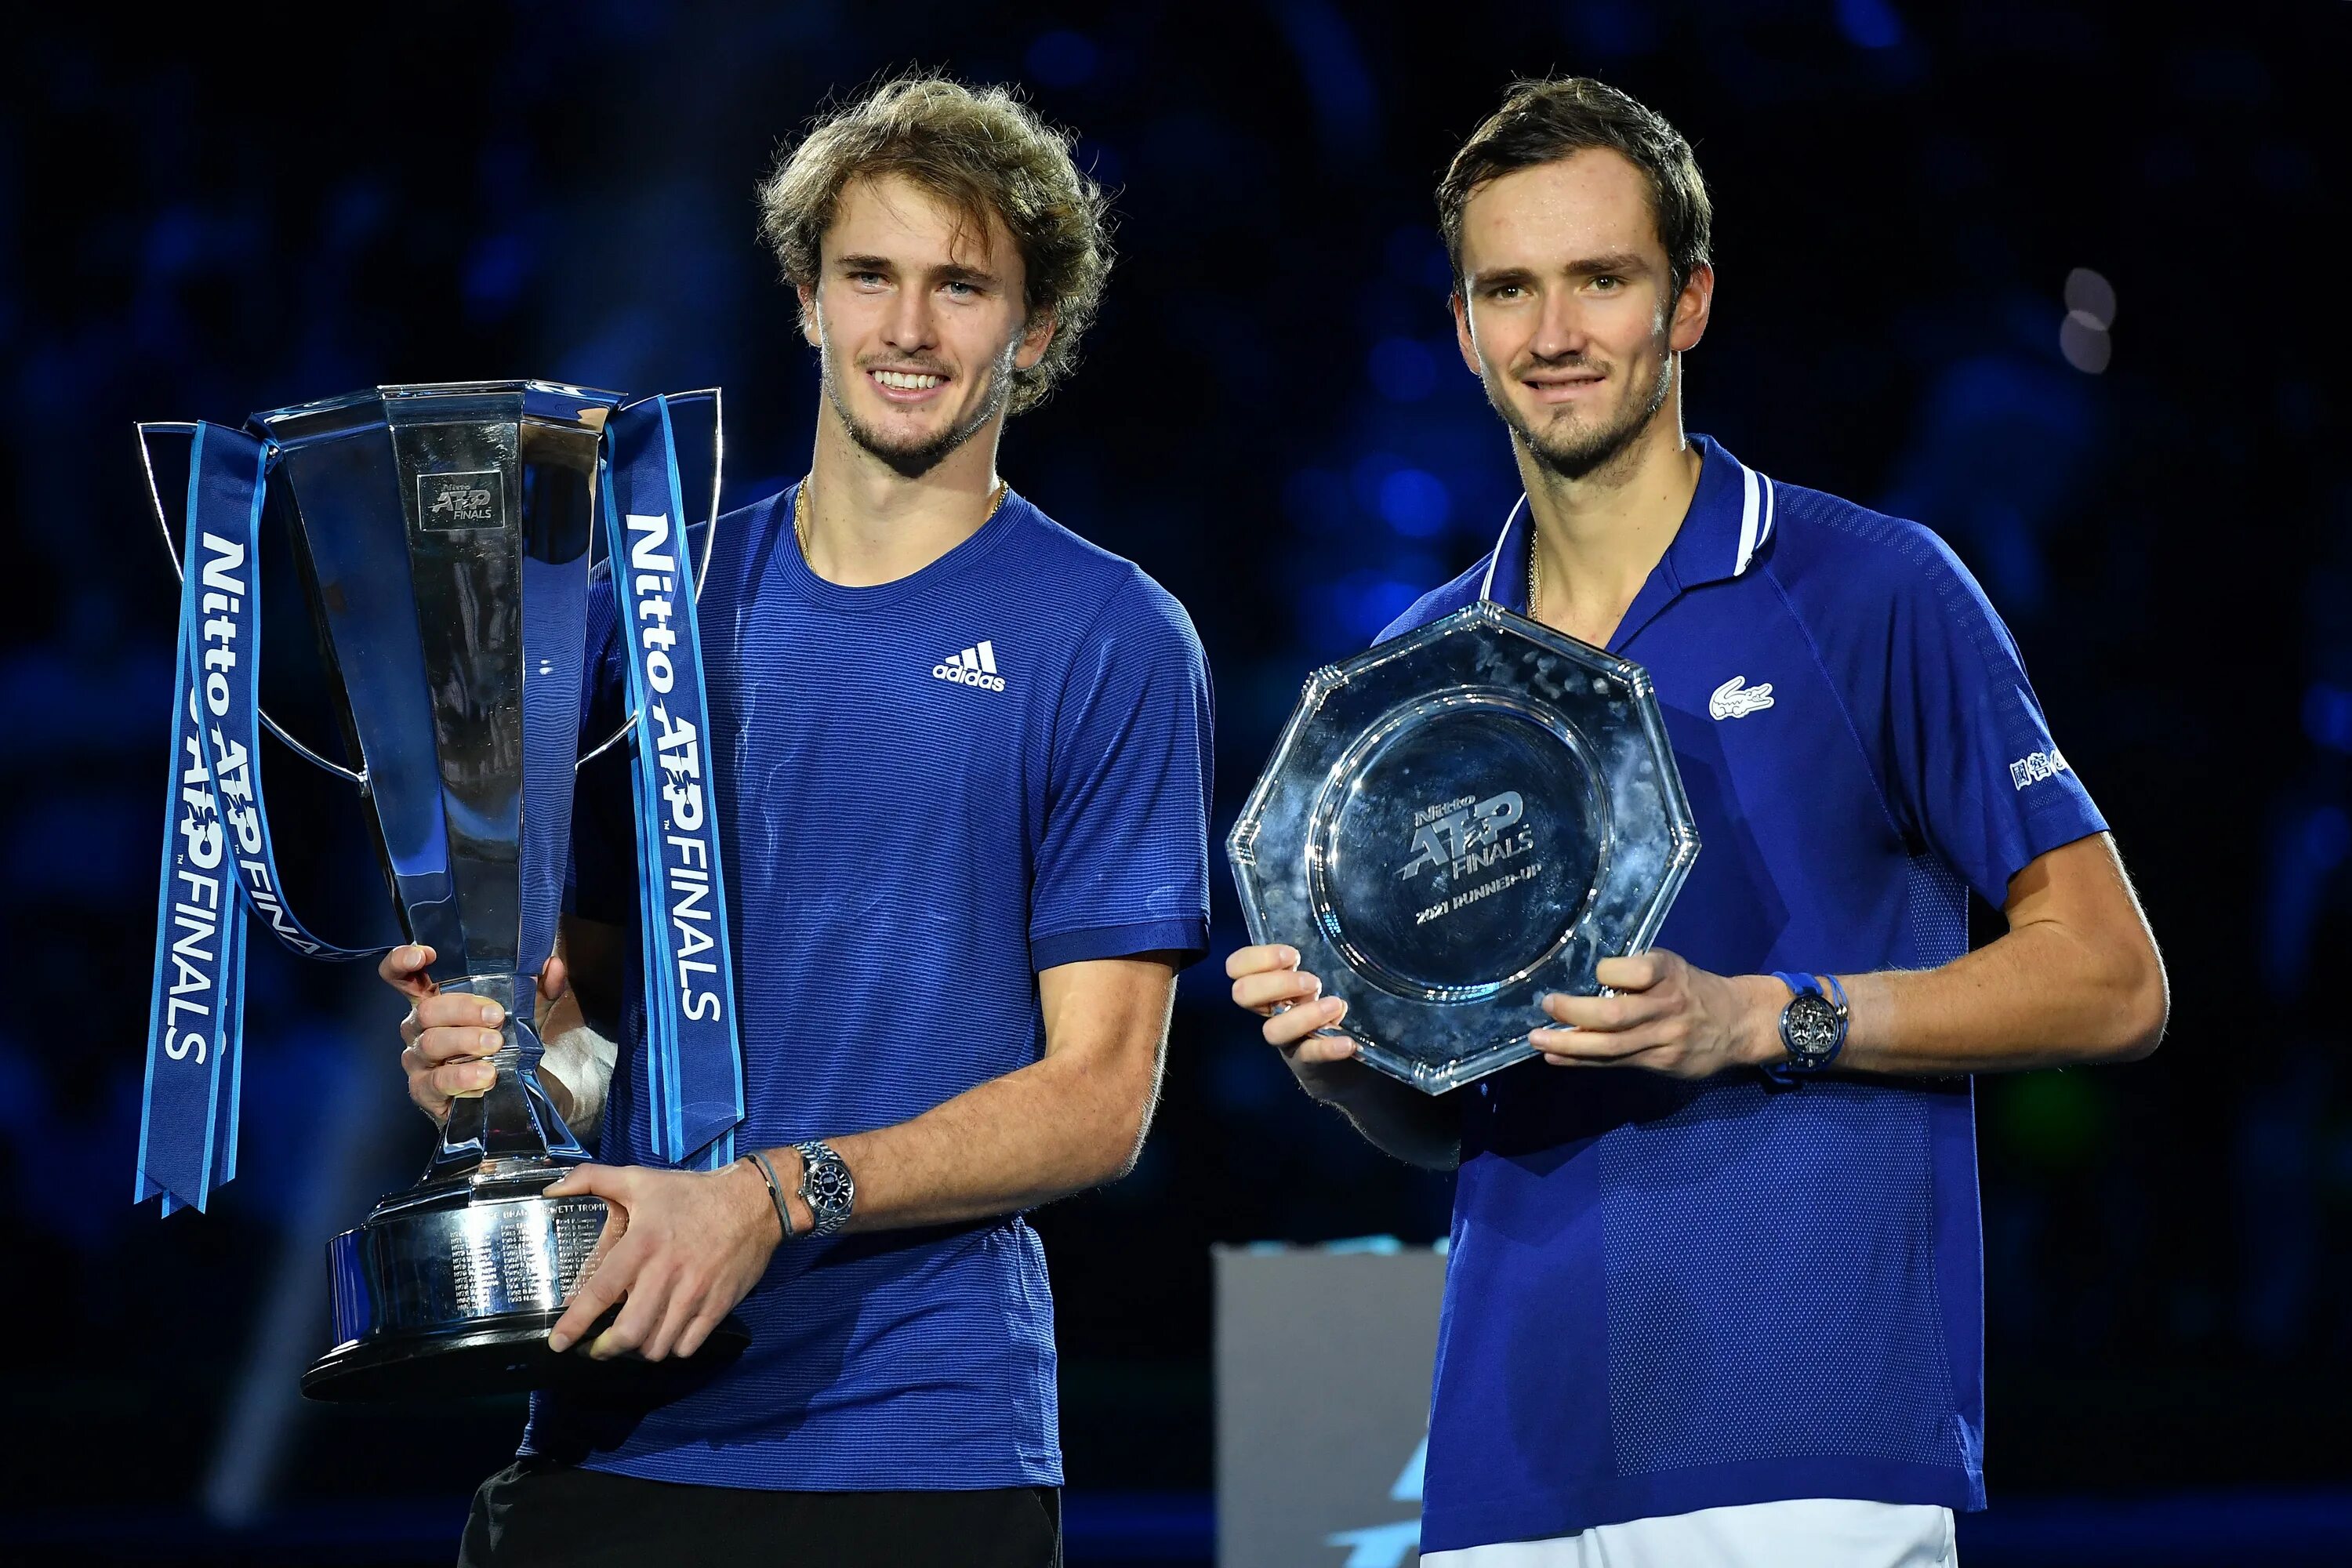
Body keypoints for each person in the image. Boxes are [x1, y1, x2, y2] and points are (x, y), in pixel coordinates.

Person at [1227, 77, 2165, 1567]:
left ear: (1691, 303)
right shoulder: (1419, 671)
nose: (1554, 333)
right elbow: (1455, 1116)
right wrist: (1350, 1072)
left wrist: (1754, 1020)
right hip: (1502, 1464)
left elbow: (2117, 980)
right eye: (1509, 290)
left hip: (1804, 1450)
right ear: (1463, 328)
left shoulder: (1873, 588)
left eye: (1602, 279)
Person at [382, 74, 1211, 1568]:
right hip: (611, 1420)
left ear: (1033, 329)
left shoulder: (1113, 635)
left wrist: (776, 1199)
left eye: (962, 286)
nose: (909, 329)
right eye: (869, 276)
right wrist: (500, 1069)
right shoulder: (650, 604)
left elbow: (1099, 1100)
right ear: (807, 302)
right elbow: (588, 1036)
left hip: (920, 1446)